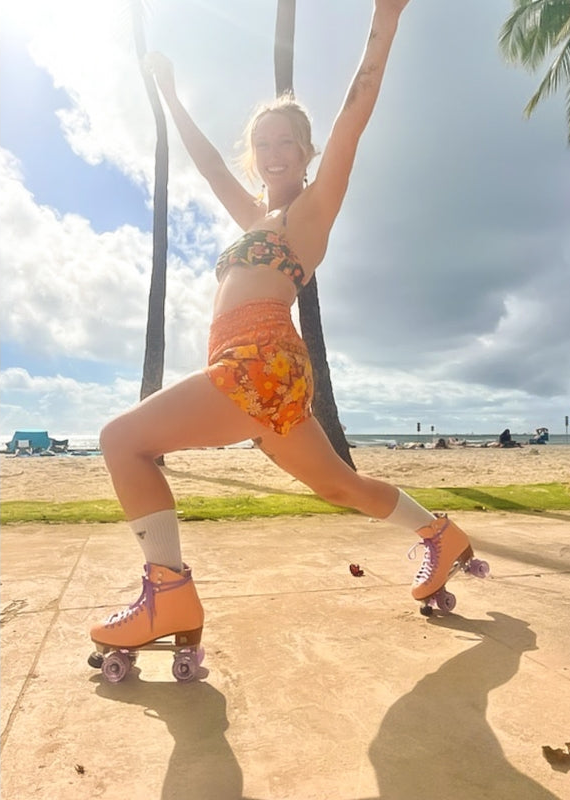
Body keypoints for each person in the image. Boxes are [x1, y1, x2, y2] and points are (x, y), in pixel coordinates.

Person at [89, 1, 483, 677]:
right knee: (338, 485)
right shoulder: (256, 216)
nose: (273, 153)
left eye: (287, 142)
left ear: (307, 152)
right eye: (263, 143)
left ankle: (170, 595)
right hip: (260, 370)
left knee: (122, 440)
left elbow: (357, 109)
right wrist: (171, 96)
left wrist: (384, 20)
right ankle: (440, 535)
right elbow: (212, 168)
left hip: (260, 359)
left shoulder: (311, 208)